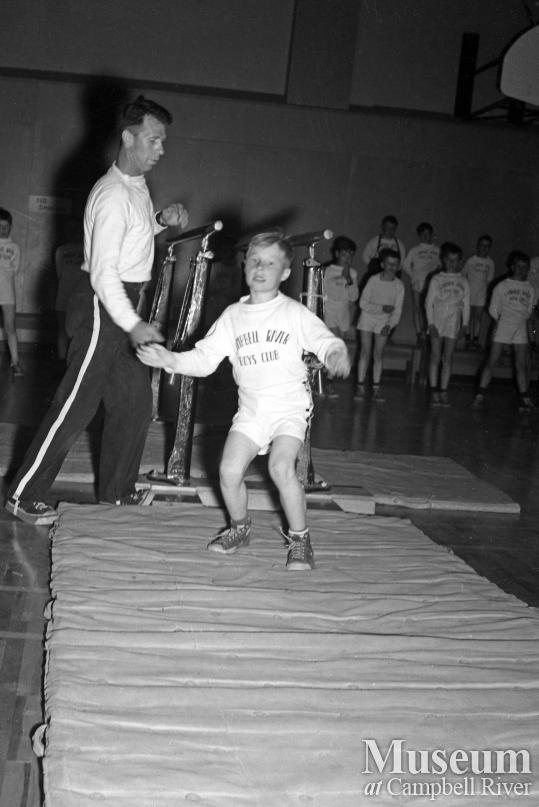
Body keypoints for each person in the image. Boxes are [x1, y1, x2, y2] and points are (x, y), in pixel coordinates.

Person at [5, 95, 189, 525]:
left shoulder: (136, 188)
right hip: (102, 304)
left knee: (134, 403)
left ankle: (117, 493)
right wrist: (134, 323)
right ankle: (21, 493)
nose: (160, 149)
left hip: (123, 305)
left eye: (163, 141)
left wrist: (161, 220)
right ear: (128, 137)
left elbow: (132, 236)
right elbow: (104, 275)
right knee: (76, 404)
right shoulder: (110, 195)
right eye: (153, 139)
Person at [137, 231, 350, 572]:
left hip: (288, 409)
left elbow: (323, 340)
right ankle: (240, 527)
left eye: (270, 263)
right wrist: (170, 360)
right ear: (244, 266)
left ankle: (300, 539)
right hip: (251, 412)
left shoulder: (293, 313)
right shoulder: (233, 316)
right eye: (254, 261)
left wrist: (336, 352)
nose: (260, 268)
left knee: (281, 468)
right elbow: (204, 359)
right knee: (228, 470)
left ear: (284, 273)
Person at [473, 251, 535, 411]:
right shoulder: (502, 286)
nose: (521, 270)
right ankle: (480, 395)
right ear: (512, 267)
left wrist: (524, 322)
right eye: (519, 267)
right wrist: (501, 321)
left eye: (525, 267)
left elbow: (530, 309)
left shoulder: (531, 289)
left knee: (521, 364)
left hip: (520, 327)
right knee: (492, 361)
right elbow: (493, 308)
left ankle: (524, 397)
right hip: (503, 326)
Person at [354, 248, 404, 402]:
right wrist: (381, 307)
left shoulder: (399, 286)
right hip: (368, 318)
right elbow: (362, 303)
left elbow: (397, 310)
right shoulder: (373, 280)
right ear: (382, 264)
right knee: (365, 352)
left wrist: (390, 325)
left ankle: (376, 389)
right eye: (389, 264)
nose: (392, 267)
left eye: (395, 264)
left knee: (378, 354)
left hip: (384, 321)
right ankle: (360, 387)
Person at [425, 241, 470, 406]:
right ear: (443, 260)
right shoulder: (436, 279)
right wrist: (430, 324)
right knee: (435, 356)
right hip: (437, 319)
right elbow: (428, 303)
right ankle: (433, 390)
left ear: (460, 262)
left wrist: (465, 325)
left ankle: (443, 391)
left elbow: (466, 305)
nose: (452, 263)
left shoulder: (464, 281)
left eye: (456, 260)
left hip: (453, 321)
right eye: (449, 260)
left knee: (448, 358)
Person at [402, 222, 440, 345]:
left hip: (432, 284)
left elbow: (440, 266)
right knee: (417, 307)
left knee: (430, 308)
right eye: (423, 234)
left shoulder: (437, 250)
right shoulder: (415, 250)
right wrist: (414, 276)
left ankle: (428, 331)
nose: (425, 237)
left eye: (427, 234)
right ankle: (420, 333)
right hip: (418, 283)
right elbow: (406, 265)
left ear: (432, 235)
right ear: (419, 235)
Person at [54, 218, 84, 361]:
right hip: (66, 296)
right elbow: (59, 273)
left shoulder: (87, 249)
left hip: (79, 297)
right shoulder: (61, 250)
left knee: (72, 332)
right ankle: (63, 364)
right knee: (63, 331)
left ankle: (71, 364)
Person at [0, 207, 23, 376]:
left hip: (7, 292)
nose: (3, 229)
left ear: (10, 227)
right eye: (0, 226)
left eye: (6, 226)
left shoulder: (14, 247)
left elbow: (15, 270)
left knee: (10, 327)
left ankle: (15, 362)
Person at [462, 235, 495, 350]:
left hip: (481, 293)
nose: (484, 248)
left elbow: (489, 278)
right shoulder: (471, 260)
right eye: (482, 245)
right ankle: (467, 339)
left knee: (478, 317)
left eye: (487, 246)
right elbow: (463, 274)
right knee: (469, 316)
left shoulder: (490, 262)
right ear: (478, 246)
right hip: (470, 292)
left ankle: (475, 339)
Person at [323, 235, 359, 339]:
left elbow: (354, 297)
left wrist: (348, 279)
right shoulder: (327, 271)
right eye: (344, 255)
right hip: (329, 311)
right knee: (338, 343)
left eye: (350, 255)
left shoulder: (353, 273)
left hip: (343, 312)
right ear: (337, 254)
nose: (347, 259)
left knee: (341, 343)